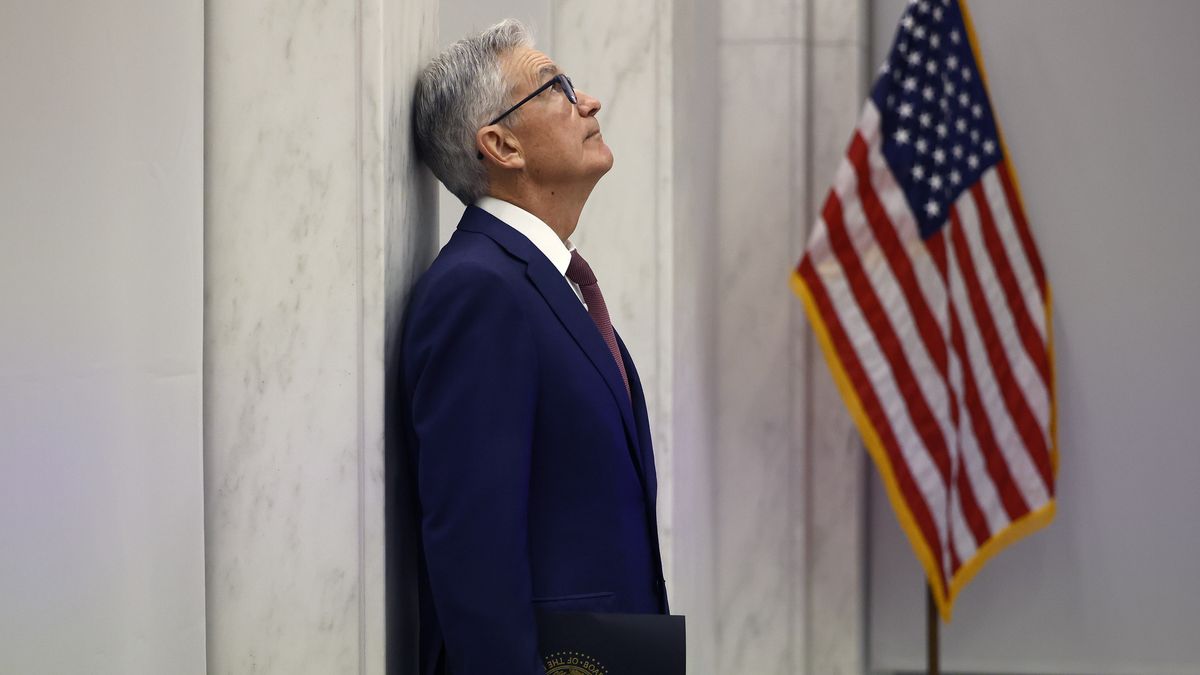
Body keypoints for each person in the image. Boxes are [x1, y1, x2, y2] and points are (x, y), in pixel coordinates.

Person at [400, 18, 668, 675]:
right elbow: (474, 556)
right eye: (557, 87)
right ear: (501, 144)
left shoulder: (543, 281)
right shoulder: (478, 291)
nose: (589, 101)